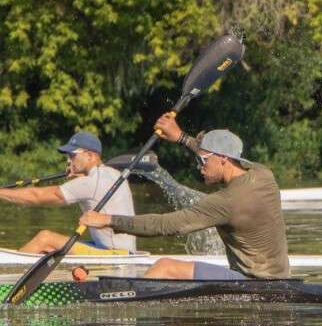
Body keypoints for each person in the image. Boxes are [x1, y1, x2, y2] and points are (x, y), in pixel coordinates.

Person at [78, 112, 289, 280]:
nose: (199, 166)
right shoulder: (263, 174)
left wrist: (108, 220)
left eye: (203, 161)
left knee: (165, 267)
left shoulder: (227, 202)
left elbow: (165, 225)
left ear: (224, 159)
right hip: (280, 278)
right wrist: (180, 137)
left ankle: (126, 323)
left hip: (250, 283)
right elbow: (209, 150)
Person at [0, 131, 136, 255]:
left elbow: (36, 197)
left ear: (90, 155)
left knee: (45, 238)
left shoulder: (90, 182)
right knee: (52, 248)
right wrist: (82, 175)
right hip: (114, 249)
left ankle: (8, 279)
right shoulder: (113, 174)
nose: (68, 161)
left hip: (115, 255)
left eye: (73, 155)